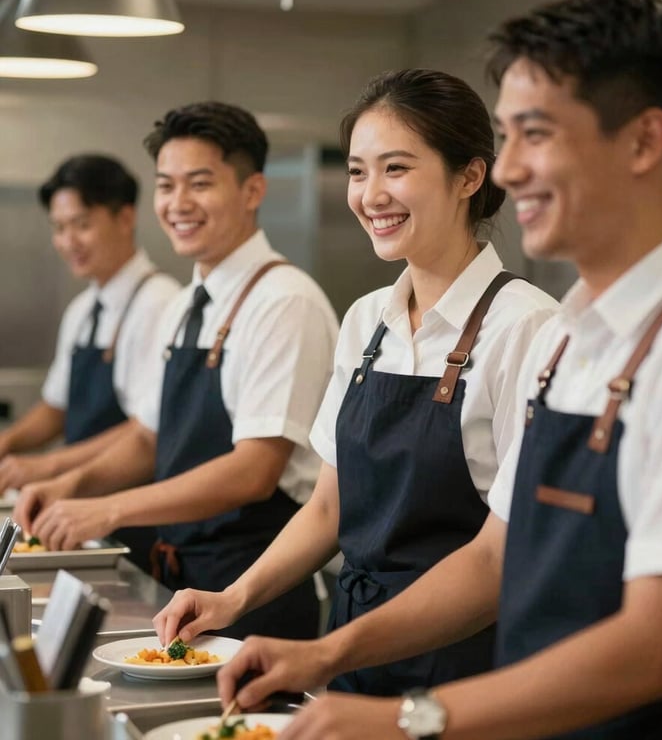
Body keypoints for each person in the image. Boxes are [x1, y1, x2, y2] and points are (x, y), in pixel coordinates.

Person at [209, 0, 662, 740]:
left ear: (643, 141)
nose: (506, 168)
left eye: (534, 135)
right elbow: (494, 559)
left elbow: (657, 652)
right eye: (503, 138)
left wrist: (413, 718)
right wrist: (325, 654)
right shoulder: (573, 337)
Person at [153, 69, 557, 695]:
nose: (371, 195)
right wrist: (231, 599)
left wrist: (330, 651)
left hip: (461, 670)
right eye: (357, 171)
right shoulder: (367, 320)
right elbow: (327, 506)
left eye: (396, 169)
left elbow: (501, 558)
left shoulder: (527, 327)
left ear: (470, 177)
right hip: (352, 653)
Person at [14, 101, 339, 641]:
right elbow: (147, 437)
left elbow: (254, 470)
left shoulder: (285, 302)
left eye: (200, 183)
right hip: (182, 583)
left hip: (252, 592)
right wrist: (71, 485)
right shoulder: (187, 303)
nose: (178, 203)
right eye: (166, 185)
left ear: (253, 191)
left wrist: (109, 510)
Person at [0, 154, 179, 572]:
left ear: (126, 217)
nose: (68, 241)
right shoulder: (84, 308)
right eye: (59, 229)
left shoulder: (159, 303)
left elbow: (144, 433)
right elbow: (55, 408)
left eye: (82, 224)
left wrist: (45, 465)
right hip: (76, 513)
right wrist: (7, 444)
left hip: (130, 520)